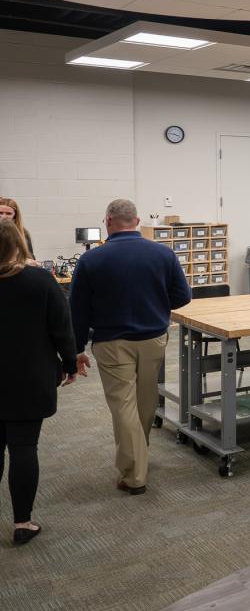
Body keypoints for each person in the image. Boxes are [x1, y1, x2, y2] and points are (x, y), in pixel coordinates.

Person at [70, 199, 191, 495]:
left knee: (123, 404)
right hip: (153, 338)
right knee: (147, 399)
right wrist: (157, 306)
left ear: (108, 221)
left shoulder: (91, 260)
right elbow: (183, 296)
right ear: (136, 222)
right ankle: (139, 453)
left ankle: (134, 474)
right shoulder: (163, 253)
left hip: (112, 342)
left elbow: (78, 310)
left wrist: (75, 349)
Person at [0, 220, 76, 545]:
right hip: (28, 379)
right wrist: (71, 364)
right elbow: (62, 328)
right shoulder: (40, 280)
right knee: (23, 447)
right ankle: (22, 523)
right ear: (19, 244)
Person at [0, 197, 36, 263]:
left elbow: (31, 258)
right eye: (0, 213)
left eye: (8, 214)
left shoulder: (23, 233)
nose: (4, 217)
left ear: (15, 216)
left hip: (16, 269)